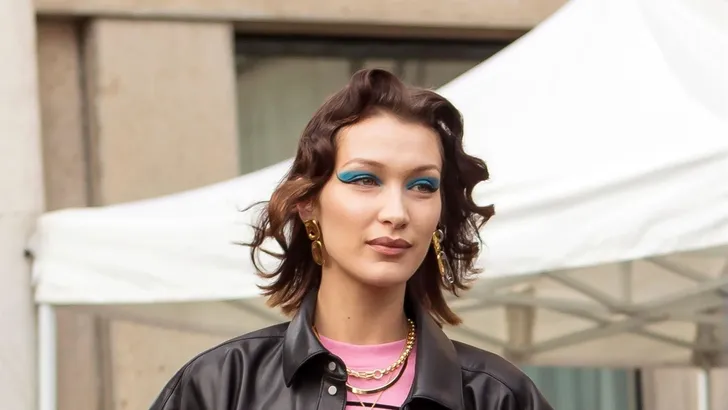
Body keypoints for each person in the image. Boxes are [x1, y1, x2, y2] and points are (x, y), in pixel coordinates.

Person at [150, 69, 553, 410]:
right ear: (308, 202)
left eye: (422, 186)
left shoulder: (496, 395)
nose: (396, 212)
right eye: (364, 179)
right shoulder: (223, 384)